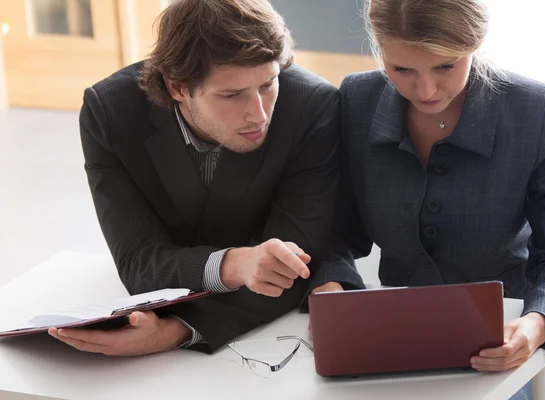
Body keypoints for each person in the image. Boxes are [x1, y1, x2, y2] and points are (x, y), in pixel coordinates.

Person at [308, 1, 545, 399]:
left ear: (473, 44)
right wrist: (330, 292)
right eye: (401, 69)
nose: (425, 90)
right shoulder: (357, 99)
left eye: (445, 66)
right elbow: (337, 231)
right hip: (394, 334)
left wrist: (536, 325)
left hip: (508, 336)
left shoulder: (541, 111)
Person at [48, 0, 339, 356]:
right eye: (232, 95)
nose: (260, 114)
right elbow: (139, 262)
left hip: (268, 338)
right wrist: (235, 264)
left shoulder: (311, 106)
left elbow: (290, 270)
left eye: (268, 84)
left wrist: (178, 330)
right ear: (177, 88)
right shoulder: (109, 113)